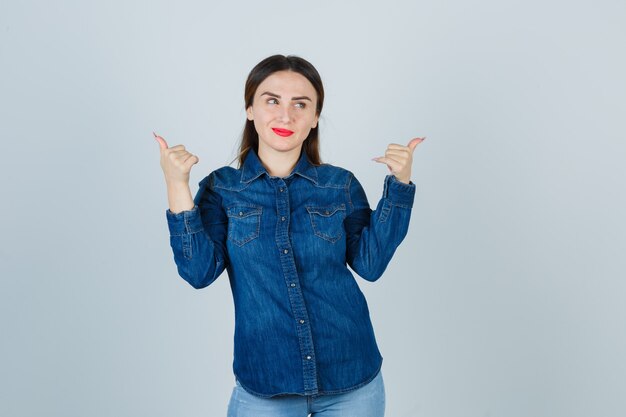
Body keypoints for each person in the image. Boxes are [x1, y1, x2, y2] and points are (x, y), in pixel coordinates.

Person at [154, 54, 424, 417]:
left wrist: (400, 186)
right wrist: (176, 185)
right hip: (266, 383)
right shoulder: (222, 189)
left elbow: (370, 264)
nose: (286, 115)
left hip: (352, 377)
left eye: (301, 104)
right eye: (272, 101)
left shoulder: (339, 185)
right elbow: (198, 272)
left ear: (314, 118)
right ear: (250, 109)